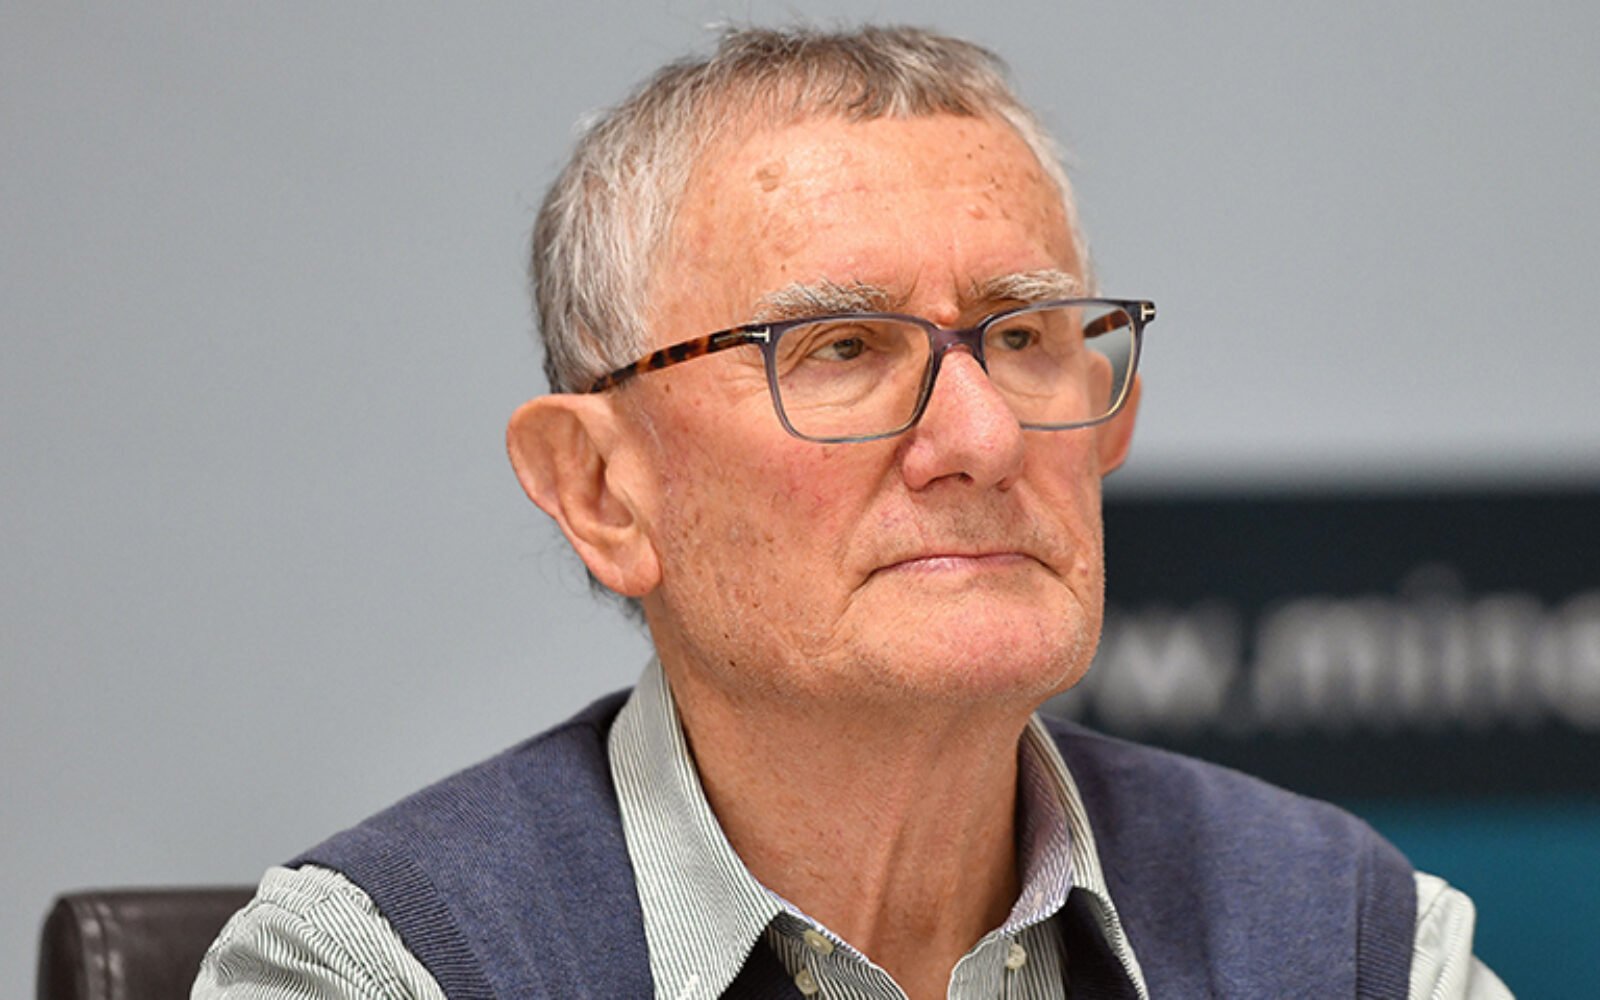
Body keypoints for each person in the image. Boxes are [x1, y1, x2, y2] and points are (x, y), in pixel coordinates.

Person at [194, 25, 1510, 1000]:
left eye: (1024, 336)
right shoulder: (386, 967)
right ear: (601, 490)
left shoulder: (1358, 943)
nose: (983, 439)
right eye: (839, 350)